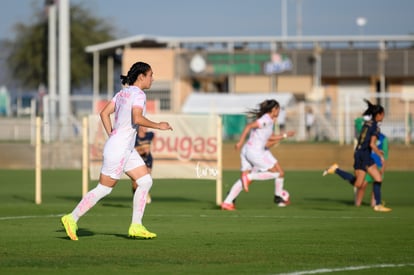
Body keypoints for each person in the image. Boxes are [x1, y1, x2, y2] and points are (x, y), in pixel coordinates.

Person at [60, 62, 173, 241]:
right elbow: (137, 117)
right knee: (104, 189)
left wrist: (112, 133)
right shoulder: (139, 94)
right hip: (119, 149)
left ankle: (136, 226)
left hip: (124, 148)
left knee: (144, 181)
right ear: (141, 76)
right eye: (151, 75)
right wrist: (158, 125)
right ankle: (71, 218)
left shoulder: (122, 93)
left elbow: (104, 113)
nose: (153, 78)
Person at [221, 99, 295, 211]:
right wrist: (240, 141)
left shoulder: (269, 120)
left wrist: (284, 136)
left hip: (247, 150)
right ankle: (278, 195)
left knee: (244, 180)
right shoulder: (266, 120)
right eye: (278, 109)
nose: (279, 111)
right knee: (276, 173)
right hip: (254, 152)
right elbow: (249, 126)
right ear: (273, 109)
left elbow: (268, 137)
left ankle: (227, 202)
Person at [323, 99, 391, 212]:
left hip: (358, 153)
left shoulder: (366, 124)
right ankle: (378, 205)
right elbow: (372, 144)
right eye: (383, 114)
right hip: (364, 155)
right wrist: (380, 155)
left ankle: (336, 169)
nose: (383, 116)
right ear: (378, 114)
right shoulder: (375, 127)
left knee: (358, 184)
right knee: (378, 178)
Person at [323, 131, 389, 207]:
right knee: (360, 185)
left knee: (376, 182)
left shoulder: (383, 138)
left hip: (375, 165)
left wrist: (382, 168)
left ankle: (376, 204)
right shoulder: (367, 134)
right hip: (367, 162)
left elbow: (385, 156)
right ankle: (359, 204)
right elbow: (369, 145)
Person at [132, 126, 154, 204]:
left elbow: (150, 142)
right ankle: (136, 196)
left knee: (147, 179)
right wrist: (141, 150)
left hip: (148, 159)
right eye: (143, 126)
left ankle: (145, 195)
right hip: (137, 160)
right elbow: (133, 150)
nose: (146, 128)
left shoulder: (150, 135)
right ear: (139, 127)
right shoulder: (135, 137)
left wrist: (147, 150)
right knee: (135, 182)